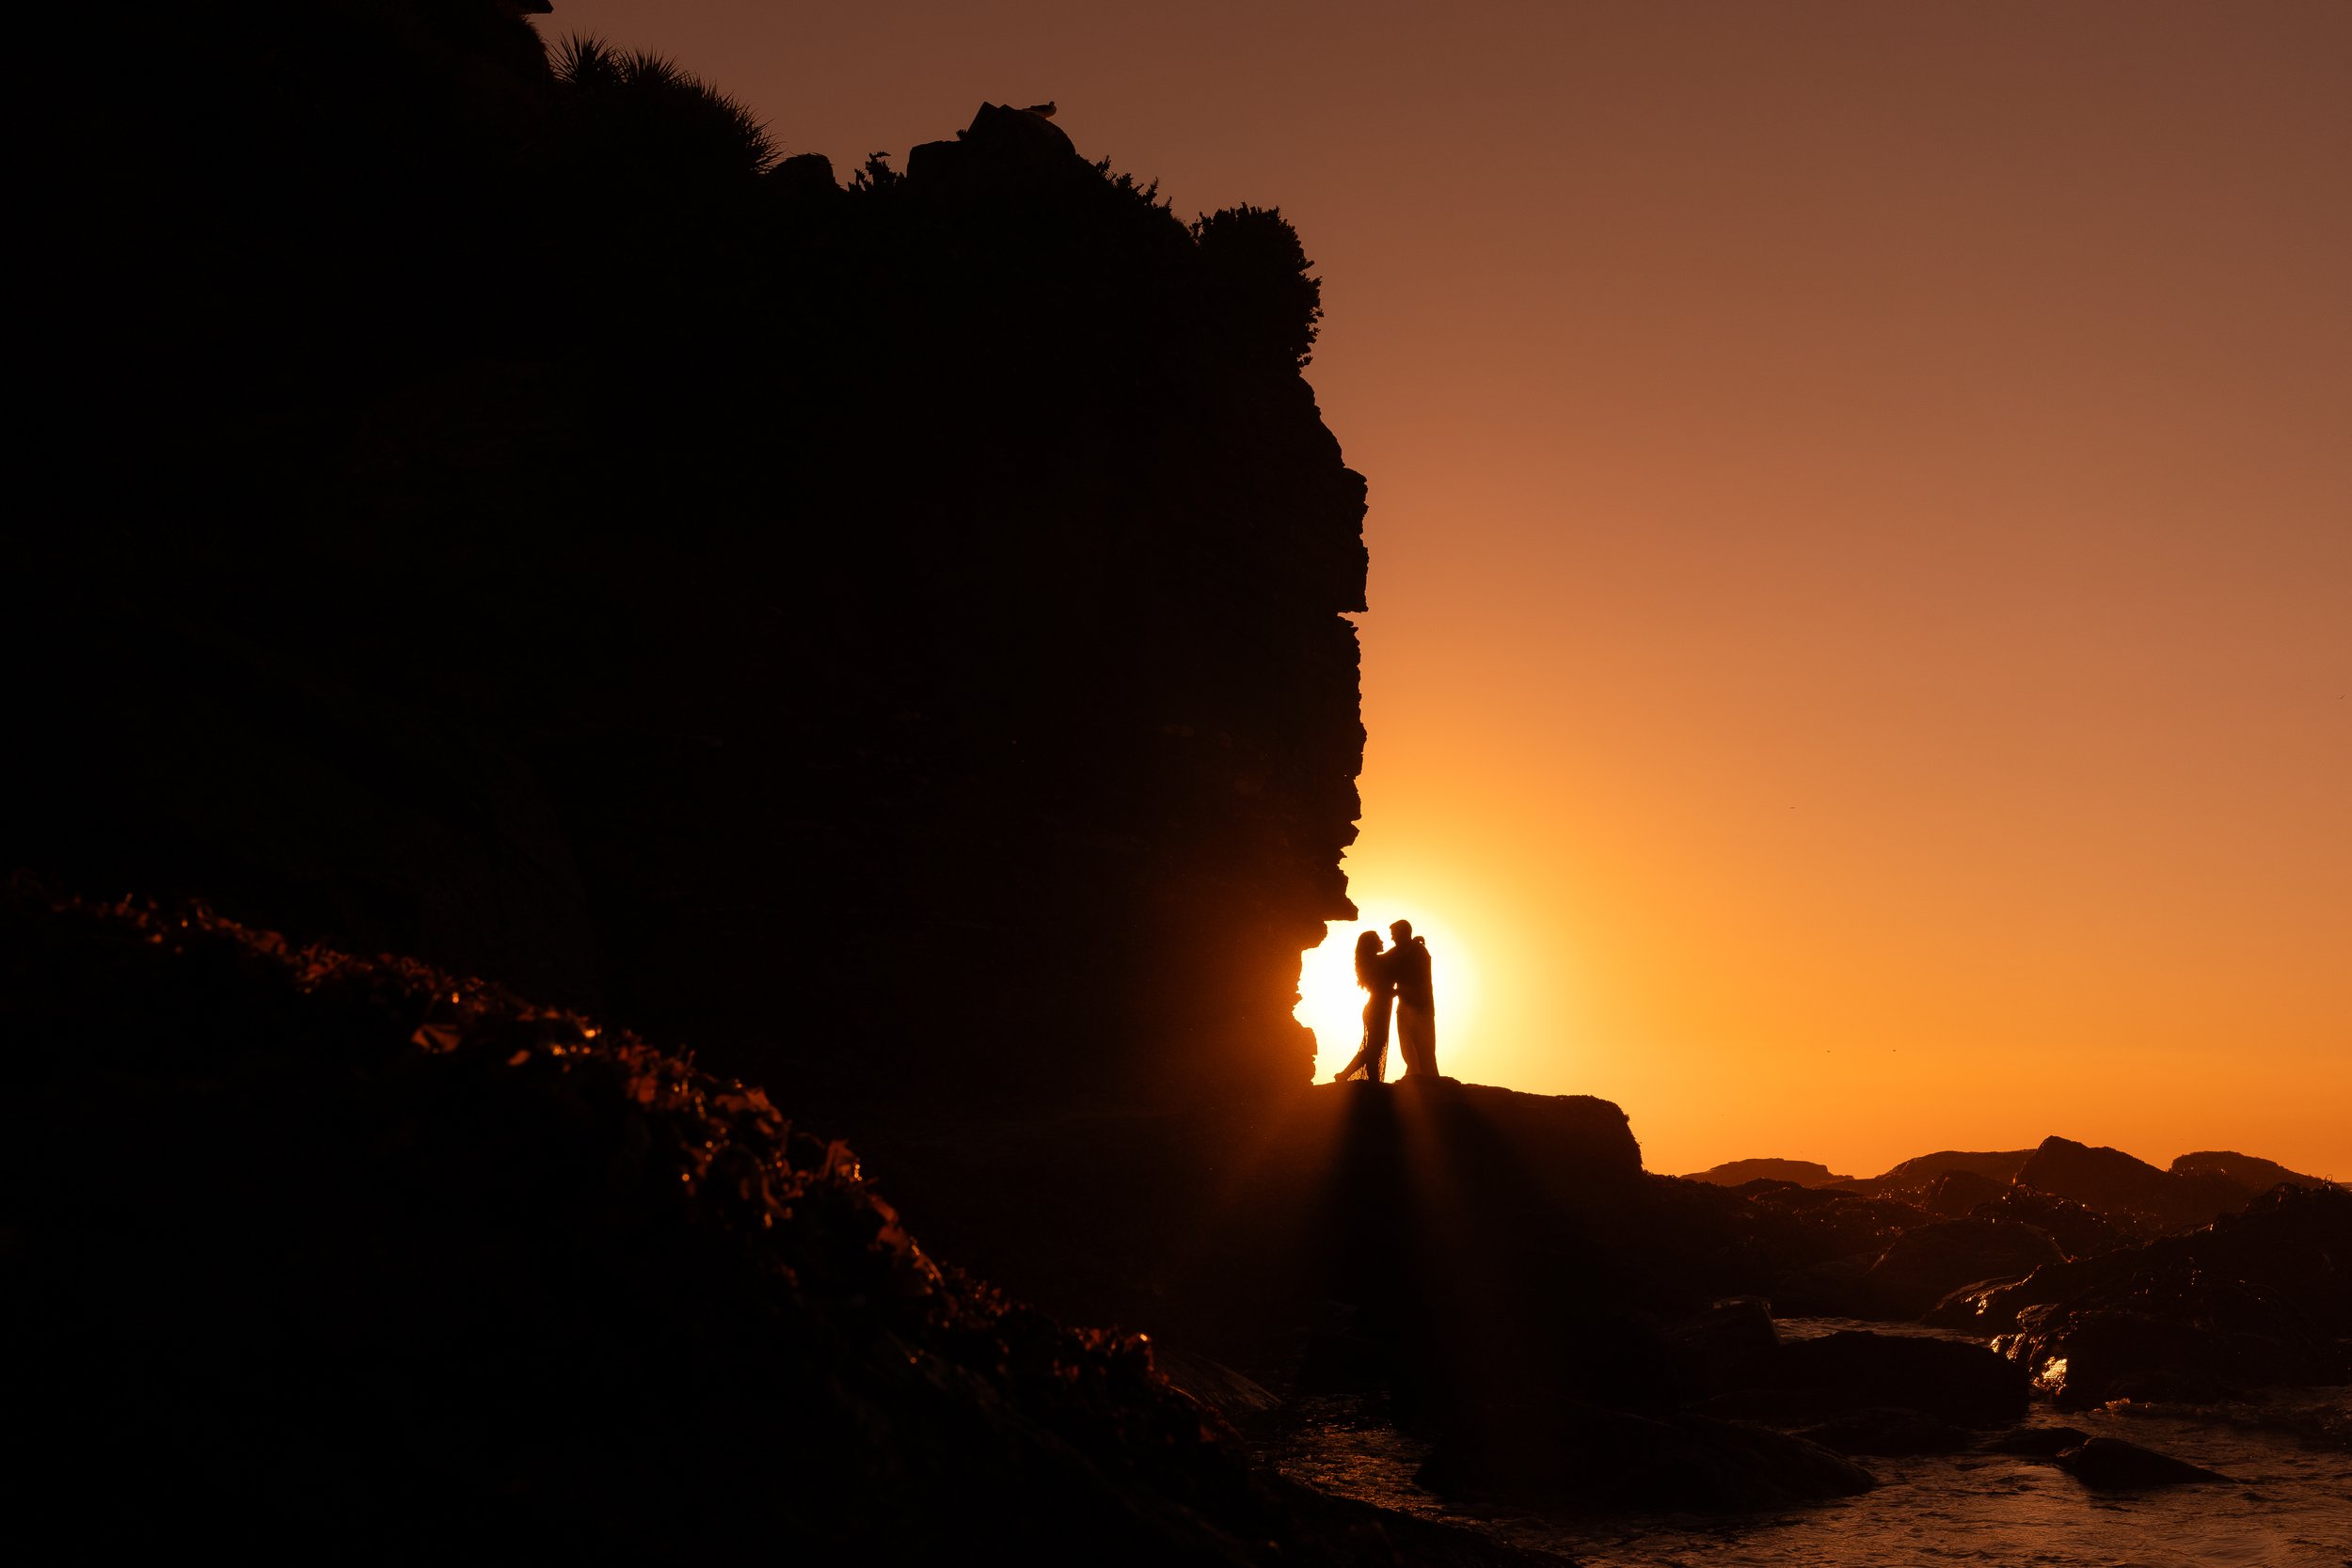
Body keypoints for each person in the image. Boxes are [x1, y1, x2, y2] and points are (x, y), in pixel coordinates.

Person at [1330, 929, 1395, 1083]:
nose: (1382, 942)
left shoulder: (1371, 962)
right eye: (1379, 939)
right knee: (1374, 1049)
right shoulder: (1378, 962)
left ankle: (1373, 1080)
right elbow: (1384, 988)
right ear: (1372, 944)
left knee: (1375, 1049)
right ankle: (1344, 1075)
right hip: (1377, 1009)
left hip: (1375, 1008)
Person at [1390, 919, 1438, 1077]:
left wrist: (1399, 991)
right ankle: (1415, 1076)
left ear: (1403, 934)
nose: (1392, 939)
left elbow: (1418, 980)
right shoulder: (1409, 950)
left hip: (1418, 1006)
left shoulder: (1415, 952)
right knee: (1412, 1047)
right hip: (1411, 1005)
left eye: (1394, 935)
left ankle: (1418, 1078)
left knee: (1419, 1048)